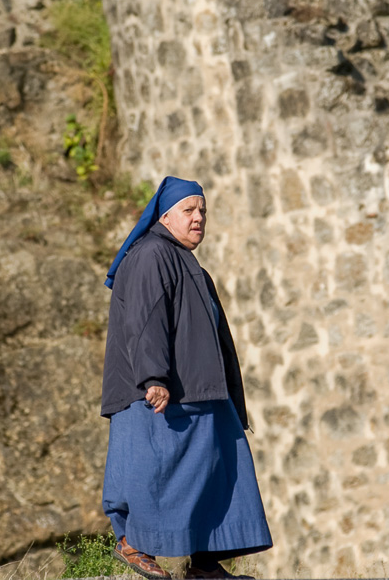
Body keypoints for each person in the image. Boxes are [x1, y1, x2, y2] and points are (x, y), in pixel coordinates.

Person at [100, 176, 272, 580]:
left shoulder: (182, 258)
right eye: (189, 211)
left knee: (218, 471)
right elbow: (145, 320)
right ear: (164, 216)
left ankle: (205, 563)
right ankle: (132, 543)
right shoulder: (152, 254)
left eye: (203, 211)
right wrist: (153, 377)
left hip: (201, 392)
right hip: (160, 393)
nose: (199, 219)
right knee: (155, 471)